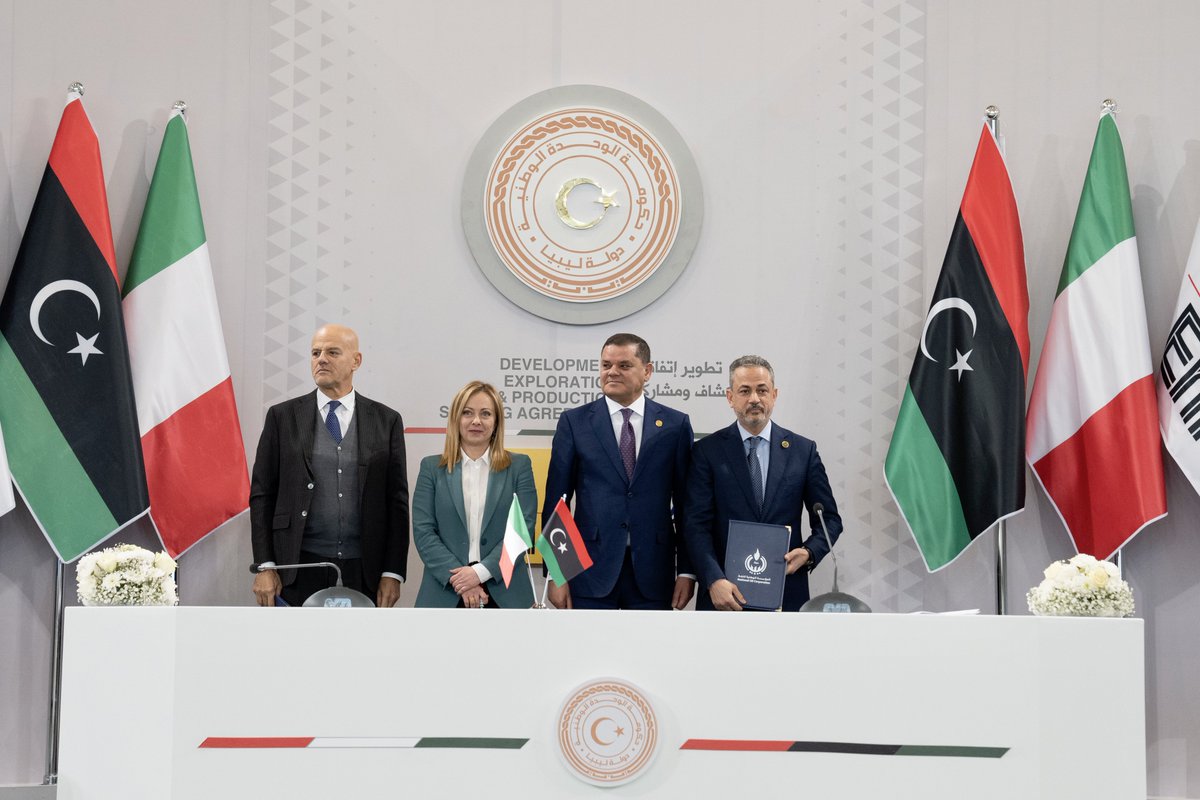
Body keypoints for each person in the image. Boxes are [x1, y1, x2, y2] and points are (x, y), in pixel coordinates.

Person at [250, 324, 409, 607]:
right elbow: (262, 495)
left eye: (332, 352)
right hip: (296, 568)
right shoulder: (282, 417)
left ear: (356, 361)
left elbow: (397, 503)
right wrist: (265, 565)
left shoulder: (387, 420)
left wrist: (392, 572)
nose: (321, 359)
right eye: (315, 353)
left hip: (365, 570)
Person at [542, 333, 695, 610]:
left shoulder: (676, 425)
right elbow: (557, 503)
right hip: (588, 572)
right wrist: (557, 572)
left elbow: (686, 506)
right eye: (606, 365)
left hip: (654, 574)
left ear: (647, 371)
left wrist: (686, 571)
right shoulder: (574, 423)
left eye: (624, 365)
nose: (612, 372)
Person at [684, 355, 842, 611]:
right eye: (745, 391)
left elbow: (829, 519)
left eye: (762, 390)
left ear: (774, 395)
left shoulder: (803, 451)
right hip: (723, 595)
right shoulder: (706, 452)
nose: (754, 399)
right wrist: (713, 579)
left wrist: (810, 552)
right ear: (730, 397)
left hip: (785, 590)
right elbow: (695, 525)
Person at [412, 381, 536, 609]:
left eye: (485, 414)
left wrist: (479, 572)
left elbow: (523, 530)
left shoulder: (519, 467)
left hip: (506, 592)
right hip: (445, 591)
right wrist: (463, 581)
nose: (476, 420)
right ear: (456, 419)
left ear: (496, 422)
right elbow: (424, 531)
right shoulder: (431, 468)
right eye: (467, 412)